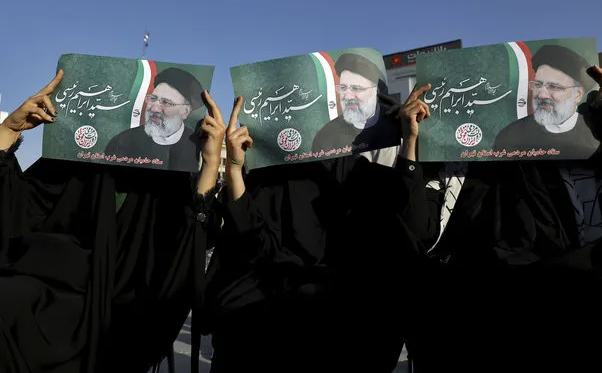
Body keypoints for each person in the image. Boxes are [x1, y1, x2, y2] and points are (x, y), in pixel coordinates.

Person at [408, 66, 602, 369]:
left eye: (554, 87)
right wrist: (411, 144)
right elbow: (417, 231)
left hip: (568, 313)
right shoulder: (455, 169)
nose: (544, 95)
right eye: (538, 86)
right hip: (468, 322)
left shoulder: (573, 159)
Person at [0, 70, 226, 373]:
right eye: (154, 99)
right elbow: (19, 205)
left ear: (186, 113)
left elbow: (192, 238)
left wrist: (212, 164)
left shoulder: (175, 177)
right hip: (51, 294)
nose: (157, 108)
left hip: (128, 313)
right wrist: (9, 130)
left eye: (168, 103)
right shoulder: (84, 159)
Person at [202, 86, 439, 373]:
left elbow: (412, 225)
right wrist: (235, 170)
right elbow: (250, 240)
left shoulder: (357, 173)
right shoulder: (272, 174)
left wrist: (410, 141)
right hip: (262, 326)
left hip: (338, 330)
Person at [494, 44, 600, 159]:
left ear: (578, 94)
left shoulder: (596, 135)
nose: (541, 94)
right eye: (538, 84)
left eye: (554, 86)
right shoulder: (510, 136)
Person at [105, 67, 204, 172]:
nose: (154, 108)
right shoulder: (121, 142)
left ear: (185, 112)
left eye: (166, 102)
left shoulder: (197, 146)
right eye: (153, 99)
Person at [311, 53, 401, 156]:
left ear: (376, 91)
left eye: (357, 88)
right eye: (343, 88)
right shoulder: (326, 136)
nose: (347, 96)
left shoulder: (399, 125)